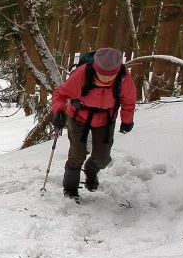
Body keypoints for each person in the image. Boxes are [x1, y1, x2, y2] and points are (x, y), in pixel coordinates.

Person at [50, 48, 137, 199]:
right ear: (95, 68)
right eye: (101, 75)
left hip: (106, 118)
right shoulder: (82, 74)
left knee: (102, 157)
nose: (104, 79)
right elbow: (60, 94)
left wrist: (127, 120)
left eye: (110, 76)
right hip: (78, 116)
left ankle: (90, 170)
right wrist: (58, 112)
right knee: (77, 155)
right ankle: (70, 191)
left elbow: (129, 101)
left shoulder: (123, 78)